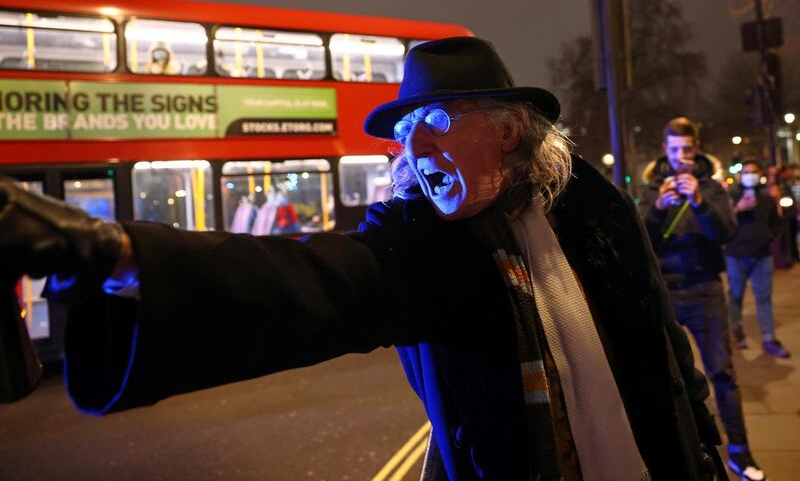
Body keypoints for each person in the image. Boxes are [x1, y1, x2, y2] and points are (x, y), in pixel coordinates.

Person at [1, 37, 724, 480]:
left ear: (508, 130)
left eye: (436, 123)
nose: (417, 149)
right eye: (406, 135)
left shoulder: (595, 212)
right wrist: (109, 252)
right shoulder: (423, 242)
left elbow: (666, 352)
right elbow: (313, 285)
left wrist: (710, 457)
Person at [639, 117, 765, 481]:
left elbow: (724, 233)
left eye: (688, 150)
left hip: (705, 290)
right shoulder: (651, 190)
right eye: (675, 150)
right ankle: (682, 454)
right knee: (668, 378)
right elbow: (642, 240)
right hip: (665, 293)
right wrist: (659, 208)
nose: (682, 158)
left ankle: (741, 454)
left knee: (722, 374)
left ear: (696, 150)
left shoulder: (710, 187)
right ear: (666, 150)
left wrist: (698, 202)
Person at [726, 159, 790, 358]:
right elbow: (721, 222)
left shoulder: (766, 197)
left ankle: (769, 338)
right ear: (741, 174)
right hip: (736, 255)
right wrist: (738, 209)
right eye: (746, 172)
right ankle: (736, 332)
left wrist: (769, 237)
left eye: (753, 171)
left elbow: (777, 223)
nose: (750, 175)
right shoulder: (731, 195)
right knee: (735, 297)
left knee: (764, 298)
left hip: (762, 256)